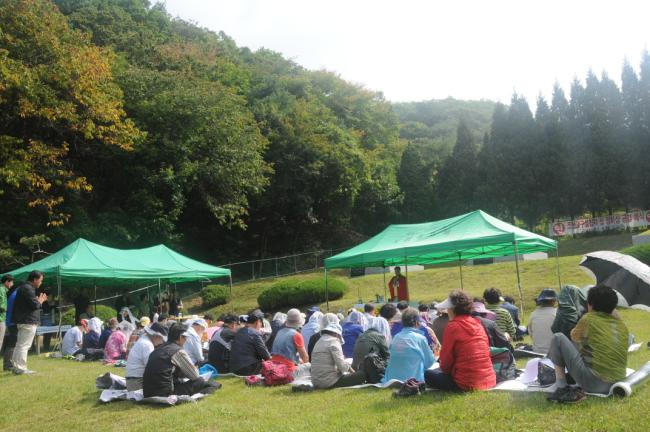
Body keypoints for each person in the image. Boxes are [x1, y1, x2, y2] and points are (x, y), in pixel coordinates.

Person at [546, 284, 629, 403]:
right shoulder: (622, 326)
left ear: (590, 304)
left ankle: (561, 387)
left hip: (595, 383)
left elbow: (573, 337)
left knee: (558, 338)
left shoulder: (588, 319)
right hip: (618, 382)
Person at [425, 291, 496, 391]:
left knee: (427, 374)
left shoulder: (453, 326)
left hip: (466, 383)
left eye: (448, 308)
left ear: (453, 309)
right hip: (489, 379)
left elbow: (446, 363)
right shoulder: (477, 323)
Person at [142, 323, 220, 397]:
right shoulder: (177, 351)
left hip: (148, 392)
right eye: (185, 337)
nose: (186, 340)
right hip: (166, 393)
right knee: (200, 381)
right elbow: (195, 375)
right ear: (180, 337)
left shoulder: (157, 349)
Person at [382, 308, 435, 383]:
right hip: (413, 381)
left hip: (392, 380)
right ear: (417, 322)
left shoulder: (396, 337)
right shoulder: (420, 338)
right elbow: (430, 361)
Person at [12, 270, 47, 375]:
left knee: (20, 345)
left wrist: (37, 301)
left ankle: (16, 367)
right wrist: (40, 301)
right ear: (35, 279)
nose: (41, 283)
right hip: (28, 321)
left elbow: (31, 304)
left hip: (23, 321)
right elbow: (35, 305)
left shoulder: (23, 287)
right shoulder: (28, 288)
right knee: (24, 345)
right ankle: (21, 368)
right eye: (40, 280)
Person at [311, 322, 366, 388]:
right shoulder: (334, 341)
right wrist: (353, 372)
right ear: (336, 334)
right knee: (362, 375)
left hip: (315, 382)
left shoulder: (319, 341)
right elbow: (342, 366)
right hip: (329, 382)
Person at [126, 322, 168, 391]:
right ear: (156, 336)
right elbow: (151, 368)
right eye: (162, 339)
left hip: (134, 380)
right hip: (137, 382)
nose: (161, 342)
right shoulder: (147, 345)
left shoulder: (144, 339)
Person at [230, 310, 271, 375]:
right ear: (257, 322)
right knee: (272, 368)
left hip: (235, 369)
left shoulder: (239, 331)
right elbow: (265, 354)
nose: (261, 326)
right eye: (261, 323)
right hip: (248, 368)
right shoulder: (255, 333)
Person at [271, 308, 309, 373]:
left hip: (274, 367)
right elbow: (305, 357)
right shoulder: (296, 335)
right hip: (287, 370)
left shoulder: (280, 331)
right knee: (308, 366)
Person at [528, 289, 558, 354]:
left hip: (537, 351)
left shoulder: (533, 314)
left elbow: (531, 334)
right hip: (555, 352)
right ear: (553, 301)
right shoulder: (558, 313)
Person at [0, 274, 14, 354]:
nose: (12, 284)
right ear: (7, 282)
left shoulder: (3, 290)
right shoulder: (1, 290)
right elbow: (2, 305)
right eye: (11, 282)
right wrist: (6, 309)